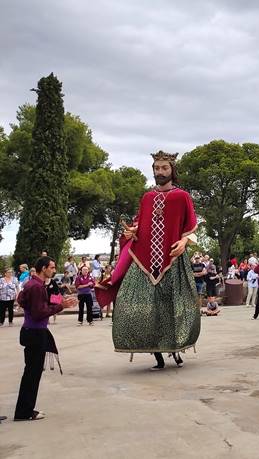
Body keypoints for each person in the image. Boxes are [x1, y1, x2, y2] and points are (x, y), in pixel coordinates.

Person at [95, 151, 201, 370]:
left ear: (172, 170)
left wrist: (183, 243)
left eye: (164, 168)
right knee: (136, 306)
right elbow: (140, 225)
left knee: (175, 307)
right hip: (144, 262)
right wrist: (131, 232)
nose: (159, 172)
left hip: (172, 260)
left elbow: (191, 227)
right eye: (156, 168)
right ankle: (156, 354)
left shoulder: (182, 196)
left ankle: (175, 348)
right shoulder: (147, 198)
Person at [14, 257, 77, 421]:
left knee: (31, 373)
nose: (54, 270)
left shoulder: (33, 285)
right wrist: (61, 306)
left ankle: (25, 409)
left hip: (32, 331)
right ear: (43, 268)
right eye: (51, 267)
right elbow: (38, 313)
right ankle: (24, 412)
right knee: (32, 374)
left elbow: (22, 300)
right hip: (35, 333)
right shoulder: (36, 287)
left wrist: (58, 304)